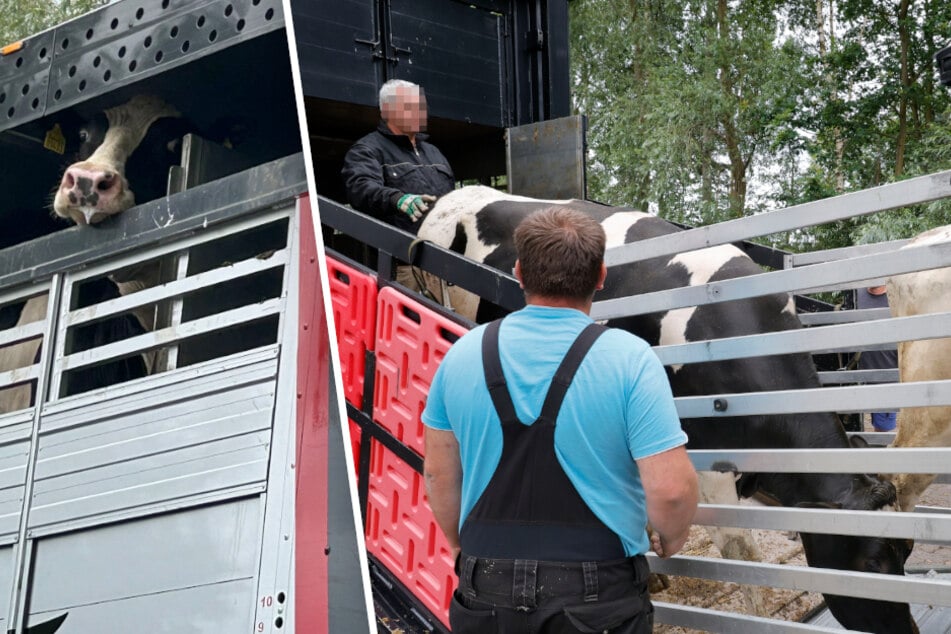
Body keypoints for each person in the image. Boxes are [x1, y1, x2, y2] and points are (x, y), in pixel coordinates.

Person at [421, 207, 699, 633]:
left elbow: (439, 476)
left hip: (485, 585)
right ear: (601, 275)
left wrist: (464, 548)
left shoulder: (460, 356)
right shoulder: (630, 359)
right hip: (597, 592)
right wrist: (672, 537)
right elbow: (673, 490)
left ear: (518, 272)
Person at [341, 79, 455, 234]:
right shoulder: (366, 150)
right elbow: (360, 189)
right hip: (400, 251)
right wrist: (397, 199)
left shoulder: (434, 152)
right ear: (386, 111)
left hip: (444, 247)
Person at [856, 285, 899, 431]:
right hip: (855, 374)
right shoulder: (856, 293)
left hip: (886, 375)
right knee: (850, 422)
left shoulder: (896, 296)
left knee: (882, 429)